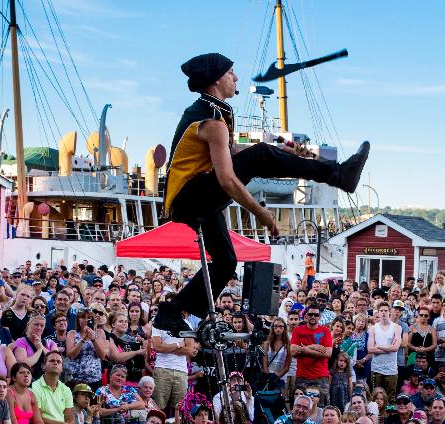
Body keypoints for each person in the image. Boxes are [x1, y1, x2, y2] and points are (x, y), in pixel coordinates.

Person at [152, 52, 369, 332]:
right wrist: (262, 213)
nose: (236, 77)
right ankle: (339, 175)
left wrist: (279, 155)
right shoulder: (212, 121)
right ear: (217, 80)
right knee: (262, 154)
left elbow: (230, 156)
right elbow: (228, 179)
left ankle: (172, 311)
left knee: (227, 262)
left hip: (195, 198)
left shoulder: (210, 111)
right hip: (191, 197)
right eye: (231, 72)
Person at [290, 306, 333, 403]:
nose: (313, 316)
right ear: (306, 316)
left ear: (319, 317)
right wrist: (314, 347)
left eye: (316, 315)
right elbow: (293, 351)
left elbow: (328, 353)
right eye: (310, 314)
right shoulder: (298, 330)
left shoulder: (325, 331)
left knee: (322, 406)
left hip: (320, 376)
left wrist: (304, 349)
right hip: (302, 376)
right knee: (301, 406)